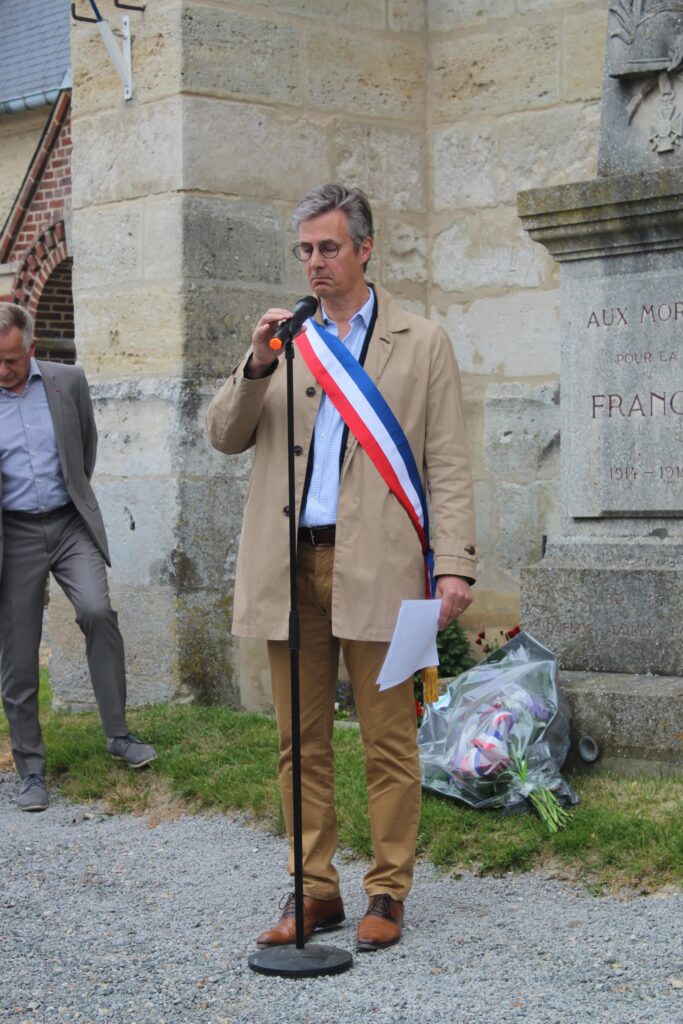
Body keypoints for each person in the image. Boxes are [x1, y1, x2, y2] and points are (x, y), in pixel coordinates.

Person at [206, 184, 476, 951]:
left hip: (384, 568)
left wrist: (452, 565)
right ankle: (312, 890)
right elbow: (224, 434)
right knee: (301, 740)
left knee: (388, 740)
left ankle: (387, 892)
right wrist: (255, 363)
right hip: (291, 567)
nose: (314, 263)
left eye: (328, 247)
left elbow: (448, 460)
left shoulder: (420, 341)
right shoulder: (284, 339)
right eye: (304, 250)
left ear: (363, 249)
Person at [0, 303, 156, 813]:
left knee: (96, 610)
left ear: (32, 350)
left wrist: (70, 497)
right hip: (13, 532)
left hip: (69, 524)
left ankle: (118, 735)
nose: (4, 370)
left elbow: (83, 451)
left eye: (12, 361)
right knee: (19, 652)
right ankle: (31, 771)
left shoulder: (69, 382)